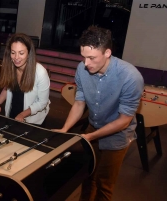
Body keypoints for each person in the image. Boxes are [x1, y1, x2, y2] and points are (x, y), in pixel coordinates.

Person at [53, 26, 144, 201]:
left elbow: (124, 121)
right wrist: (65, 128)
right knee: (87, 175)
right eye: (83, 57)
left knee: (104, 185)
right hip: (93, 127)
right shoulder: (82, 69)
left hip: (117, 136)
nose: (86, 63)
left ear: (107, 53)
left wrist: (91, 136)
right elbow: (80, 103)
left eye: (92, 58)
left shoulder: (131, 77)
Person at [0, 33, 50, 126]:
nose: (16, 57)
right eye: (13, 52)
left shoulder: (40, 72)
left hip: (32, 121)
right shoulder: (10, 67)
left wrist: (22, 114)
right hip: (12, 115)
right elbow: (7, 87)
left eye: (21, 53)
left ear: (29, 53)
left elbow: (42, 102)